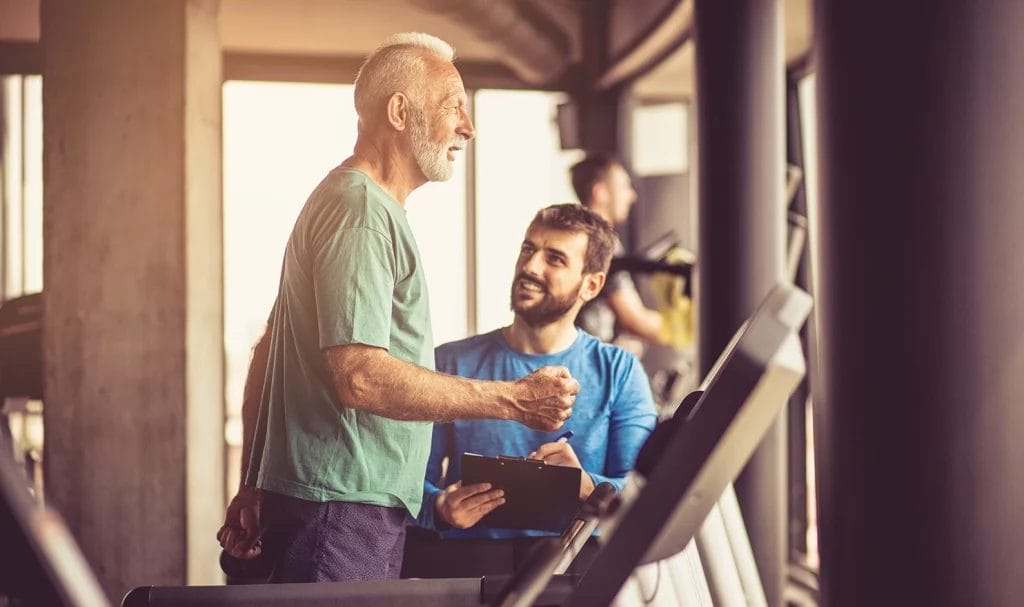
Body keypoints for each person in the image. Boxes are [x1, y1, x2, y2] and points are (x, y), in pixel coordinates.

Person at [215, 32, 579, 584]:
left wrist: (254, 482)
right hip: (342, 511)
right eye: (454, 105)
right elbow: (360, 378)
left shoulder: (350, 203)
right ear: (400, 111)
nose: (468, 126)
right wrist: (513, 400)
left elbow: (269, 350)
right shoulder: (360, 210)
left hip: (335, 505)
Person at [406, 203, 657, 578]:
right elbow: (407, 480)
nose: (531, 267)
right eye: (528, 249)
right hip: (465, 567)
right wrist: (440, 506)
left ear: (592, 284)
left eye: (554, 258)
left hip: (573, 568)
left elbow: (641, 495)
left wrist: (587, 486)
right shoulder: (449, 362)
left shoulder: (619, 371)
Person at [570, 154, 689, 350]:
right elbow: (636, 321)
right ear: (601, 193)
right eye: (624, 187)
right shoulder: (601, 243)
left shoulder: (583, 235)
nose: (632, 196)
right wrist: (689, 325)